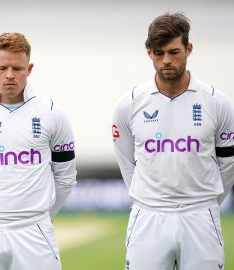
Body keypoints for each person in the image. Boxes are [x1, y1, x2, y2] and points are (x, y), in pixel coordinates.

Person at [112, 12, 234, 270]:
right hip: (149, 216)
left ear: (189, 49)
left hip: (201, 216)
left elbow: (228, 163)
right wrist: (151, 198)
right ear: (149, 52)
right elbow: (126, 163)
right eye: (159, 53)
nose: (166, 60)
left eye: (174, 52)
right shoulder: (129, 104)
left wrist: (206, 202)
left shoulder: (216, 102)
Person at [0, 32, 77, 270]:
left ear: (29, 69)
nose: (9, 75)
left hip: (34, 231)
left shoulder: (52, 113)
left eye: (17, 68)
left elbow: (66, 177)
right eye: (2, 67)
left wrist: (42, 216)